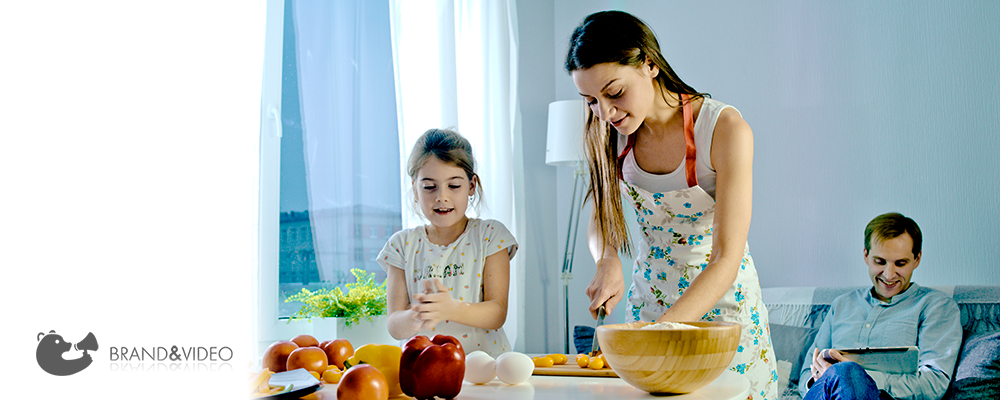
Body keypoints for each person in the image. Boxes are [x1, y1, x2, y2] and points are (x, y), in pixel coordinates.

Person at [565, 10, 777, 400]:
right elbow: (601, 211)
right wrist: (607, 258)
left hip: (722, 313)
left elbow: (725, 259)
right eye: (590, 100)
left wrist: (662, 332)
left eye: (613, 93)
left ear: (649, 64)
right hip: (649, 303)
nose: (605, 113)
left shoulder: (724, 129)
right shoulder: (609, 132)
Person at [378, 128, 517, 358]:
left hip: (484, 371)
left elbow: (497, 312)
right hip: (423, 371)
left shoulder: (491, 235)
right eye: (429, 187)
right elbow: (394, 324)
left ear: (472, 185)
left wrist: (451, 308)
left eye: (454, 186)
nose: (442, 196)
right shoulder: (401, 245)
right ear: (415, 188)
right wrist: (416, 315)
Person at [799, 213, 962, 400]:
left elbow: (933, 384)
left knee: (848, 373)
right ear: (866, 255)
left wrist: (858, 377)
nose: (889, 274)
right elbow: (806, 375)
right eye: (880, 262)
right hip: (825, 395)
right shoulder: (842, 304)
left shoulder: (936, 306)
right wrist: (829, 378)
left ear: (917, 259)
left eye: (900, 263)